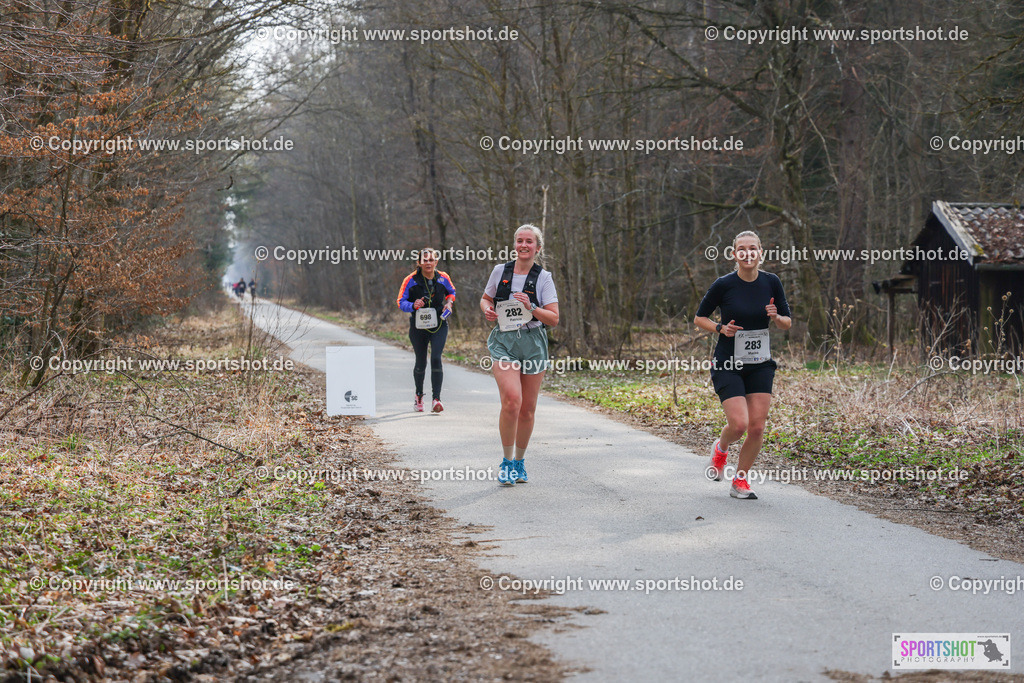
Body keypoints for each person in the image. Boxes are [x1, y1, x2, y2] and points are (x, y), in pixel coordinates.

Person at [693, 230, 792, 500]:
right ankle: (721, 449)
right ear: (734, 254)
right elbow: (699, 318)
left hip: (760, 363)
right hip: (728, 362)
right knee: (739, 425)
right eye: (742, 249)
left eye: (753, 248)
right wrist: (720, 328)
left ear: (761, 252)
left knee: (757, 428)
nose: (747, 253)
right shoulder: (724, 284)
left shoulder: (772, 282)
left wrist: (776, 316)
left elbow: (787, 322)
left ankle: (740, 481)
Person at [480, 224, 559, 486]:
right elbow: (485, 298)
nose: (523, 245)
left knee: (527, 409)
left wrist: (531, 305)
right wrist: (488, 310)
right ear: (514, 245)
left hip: (533, 342)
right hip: (504, 340)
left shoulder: (544, 278)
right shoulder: (500, 271)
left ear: (537, 247)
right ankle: (505, 462)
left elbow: (554, 318)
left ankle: (519, 462)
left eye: (529, 242)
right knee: (512, 400)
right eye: (519, 241)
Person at [396, 248, 455, 412]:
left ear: (436, 262)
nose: (428, 263)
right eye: (425, 260)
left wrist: (449, 303)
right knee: (421, 361)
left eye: (431, 260)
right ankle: (419, 395)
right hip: (418, 325)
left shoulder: (443, 278)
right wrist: (413, 305)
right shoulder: (410, 280)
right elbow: (401, 301)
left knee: (436, 358)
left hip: (439, 323)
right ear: (419, 262)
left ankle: (436, 399)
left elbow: (452, 292)